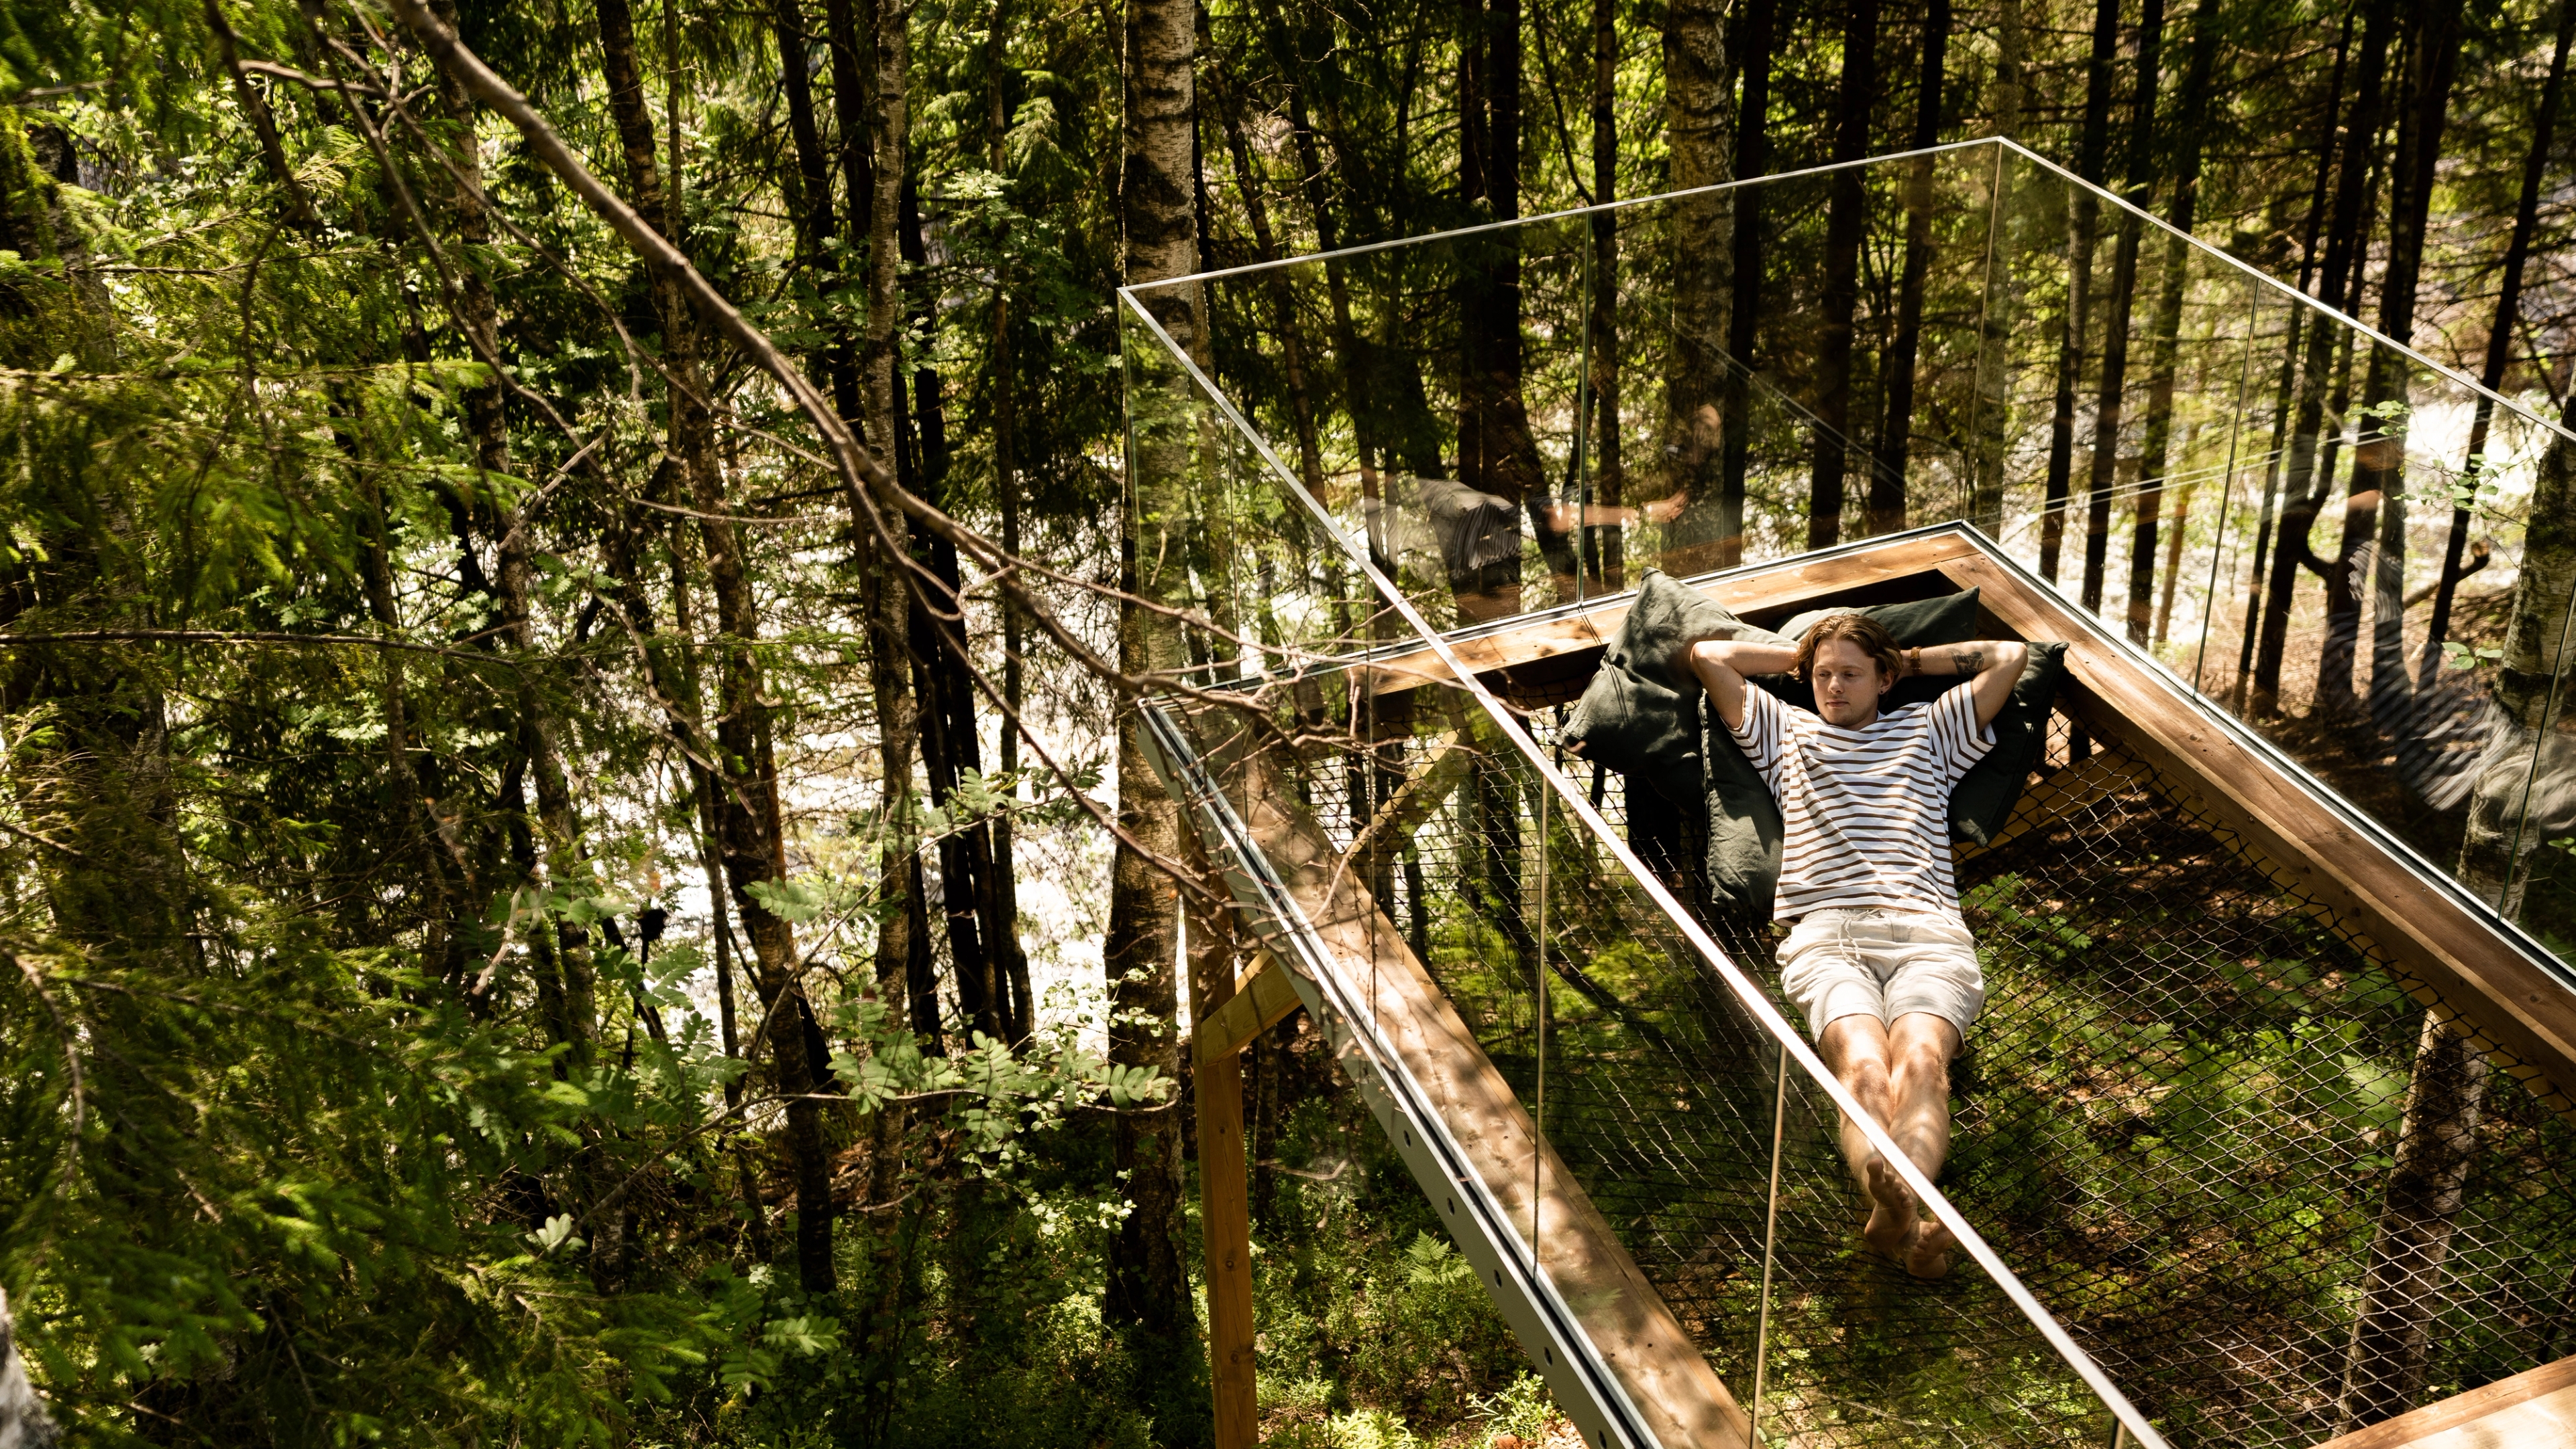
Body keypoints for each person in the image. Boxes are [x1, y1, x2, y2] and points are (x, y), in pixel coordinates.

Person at [1682, 612, 2027, 1279]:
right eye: (1823, 676)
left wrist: (1907, 657)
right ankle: (1895, 1200)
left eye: (1850, 674)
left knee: (1922, 1062)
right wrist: (1799, 657)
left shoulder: (1930, 730)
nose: (1832, 687)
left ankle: (1896, 1211)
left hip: (1927, 930)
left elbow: (2008, 657)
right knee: (1864, 1065)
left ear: (1883, 678)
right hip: (1829, 933)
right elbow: (1709, 656)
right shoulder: (1786, 732)